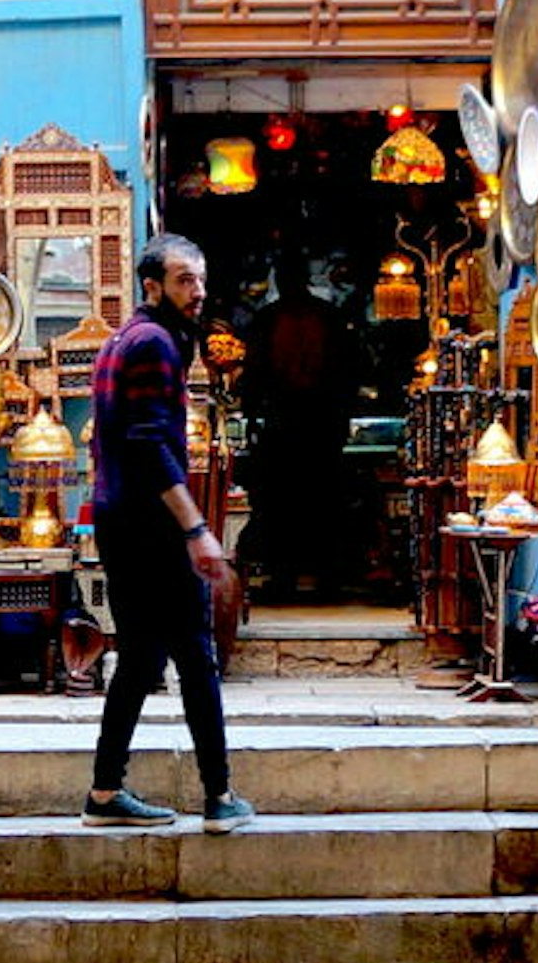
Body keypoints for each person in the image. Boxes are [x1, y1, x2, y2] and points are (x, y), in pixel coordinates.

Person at [85, 233, 252, 832]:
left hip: (118, 517)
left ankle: (104, 794)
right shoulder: (154, 343)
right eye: (184, 279)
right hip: (152, 524)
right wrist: (198, 530)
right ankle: (219, 797)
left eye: (200, 279)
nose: (197, 291)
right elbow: (150, 444)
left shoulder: (123, 340)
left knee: (140, 657)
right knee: (196, 655)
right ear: (152, 286)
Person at [240, 258, 351, 598]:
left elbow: (254, 374)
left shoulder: (274, 319)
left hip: (300, 423)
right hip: (304, 423)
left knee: (296, 502)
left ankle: (302, 575)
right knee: (304, 501)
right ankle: (312, 575)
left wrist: (253, 410)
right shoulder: (316, 317)